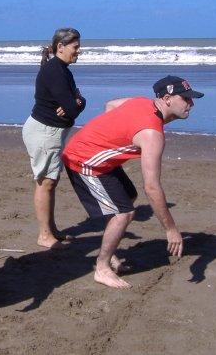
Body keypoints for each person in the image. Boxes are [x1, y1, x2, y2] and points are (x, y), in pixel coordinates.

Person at [62, 75, 204, 289]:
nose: (191, 104)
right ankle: (102, 267)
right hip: (83, 159)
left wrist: (110, 137)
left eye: (191, 99)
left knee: (128, 196)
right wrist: (171, 229)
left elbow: (110, 105)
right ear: (167, 99)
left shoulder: (141, 102)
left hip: (96, 156)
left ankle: (108, 249)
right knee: (124, 212)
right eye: (185, 99)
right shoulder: (152, 134)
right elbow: (152, 187)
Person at [22, 28, 86, 249]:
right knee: (45, 182)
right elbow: (71, 106)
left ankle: (52, 229)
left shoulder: (62, 70)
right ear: (61, 47)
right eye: (75, 47)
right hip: (45, 132)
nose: (79, 51)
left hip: (51, 132)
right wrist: (75, 103)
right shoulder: (55, 71)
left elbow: (75, 102)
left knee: (51, 181)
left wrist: (78, 102)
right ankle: (44, 235)